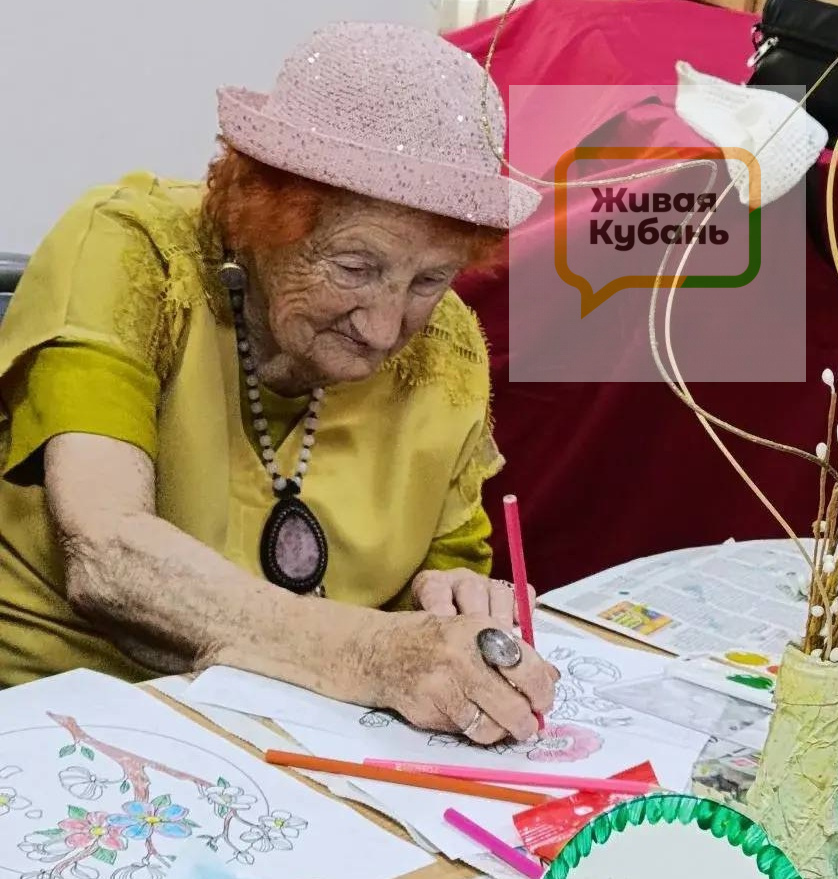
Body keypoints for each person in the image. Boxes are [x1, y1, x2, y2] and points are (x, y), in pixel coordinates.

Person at [0, 21, 555, 744]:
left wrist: (453, 601)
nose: (385, 327)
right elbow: (108, 554)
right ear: (259, 218)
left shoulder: (446, 346)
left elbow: (446, 572)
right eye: (354, 268)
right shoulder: (133, 256)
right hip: (60, 720)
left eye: (429, 279)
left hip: (292, 734)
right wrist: (370, 652)